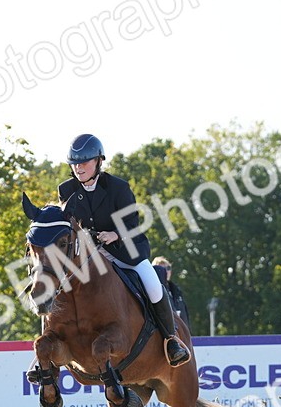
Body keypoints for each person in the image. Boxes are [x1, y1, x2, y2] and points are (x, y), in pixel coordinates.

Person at [58, 133, 190, 366]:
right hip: (87, 255)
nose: (79, 168)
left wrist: (115, 234)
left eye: (85, 162)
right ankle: (43, 353)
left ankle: (171, 340)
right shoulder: (66, 190)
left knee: (152, 284)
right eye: (75, 163)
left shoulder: (118, 187)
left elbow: (132, 223)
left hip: (123, 249)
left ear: (98, 161)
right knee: (53, 285)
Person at [151, 256, 189, 324]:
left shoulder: (176, 291)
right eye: (161, 269)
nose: (166, 271)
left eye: (168, 268)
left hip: (181, 332)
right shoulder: (152, 292)